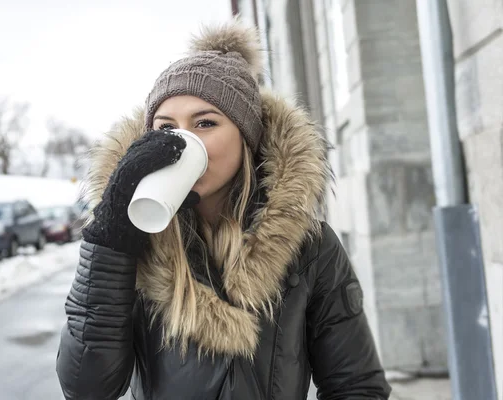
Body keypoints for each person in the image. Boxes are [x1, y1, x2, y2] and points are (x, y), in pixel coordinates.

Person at [56, 19, 391, 400]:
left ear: (246, 136)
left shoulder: (309, 248)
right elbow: (85, 387)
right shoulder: (132, 243)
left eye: (204, 123)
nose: (181, 143)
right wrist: (110, 237)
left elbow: (357, 386)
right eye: (165, 129)